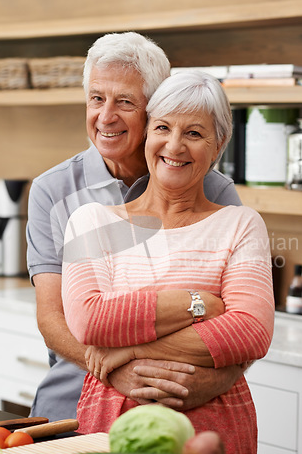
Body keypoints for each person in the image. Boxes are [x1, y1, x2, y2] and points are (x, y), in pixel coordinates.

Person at [26, 31, 244, 423]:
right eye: (96, 98)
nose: (105, 117)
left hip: (181, 406)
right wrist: (117, 370)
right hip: (71, 404)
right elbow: (52, 319)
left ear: (154, 108)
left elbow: (242, 324)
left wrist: (214, 382)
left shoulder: (213, 190)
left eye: (125, 102)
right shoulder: (52, 191)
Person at [61, 70, 275, 454]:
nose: (174, 145)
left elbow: (251, 330)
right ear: (147, 134)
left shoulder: (241, 225)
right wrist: (198, 305)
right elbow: (90, 322)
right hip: (113, 425)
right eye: (163, 127)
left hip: (216, 434)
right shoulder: (92, 223)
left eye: (194, 133)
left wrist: (126, 349)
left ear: (219, 144)